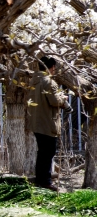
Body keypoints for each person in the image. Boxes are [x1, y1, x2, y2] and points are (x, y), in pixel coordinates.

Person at [28, 56, 69, 190]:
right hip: (47, 122)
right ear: (50, 67)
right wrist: (63, 98)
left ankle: (41, 179)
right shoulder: (48, 82)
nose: (54, 71)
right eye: (54, 68)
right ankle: (45, 181)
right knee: (48, 152)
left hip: (36, 122)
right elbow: (54, 101)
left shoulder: (33, 81)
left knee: (42, 152)